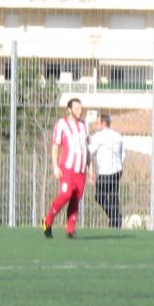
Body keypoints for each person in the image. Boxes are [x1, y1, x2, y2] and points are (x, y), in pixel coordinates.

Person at [42, 98, 90, 239]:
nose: (79, 111)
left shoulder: (83, 125)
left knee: (76, 198)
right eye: (76, 108)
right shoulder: (62, 124)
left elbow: (86, 148)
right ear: (69, 110)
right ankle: (47, 221)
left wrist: (90, 167)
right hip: (67, 169)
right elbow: (56, 145)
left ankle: (70, 229)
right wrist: (55, 166)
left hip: (81, 170)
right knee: (66, 195)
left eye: (80, 108)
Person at [88, 114, 125, 228]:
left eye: (97, 123)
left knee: (99, 196)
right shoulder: (118, 136)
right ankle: (116, 222)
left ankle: (115, 217)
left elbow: (90, 150)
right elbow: (123, 154)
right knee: (113, 196)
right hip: (117, 170)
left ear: (103, 123)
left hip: (105, 171)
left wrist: (90, 171)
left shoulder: (99, 136)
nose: (96, 125)